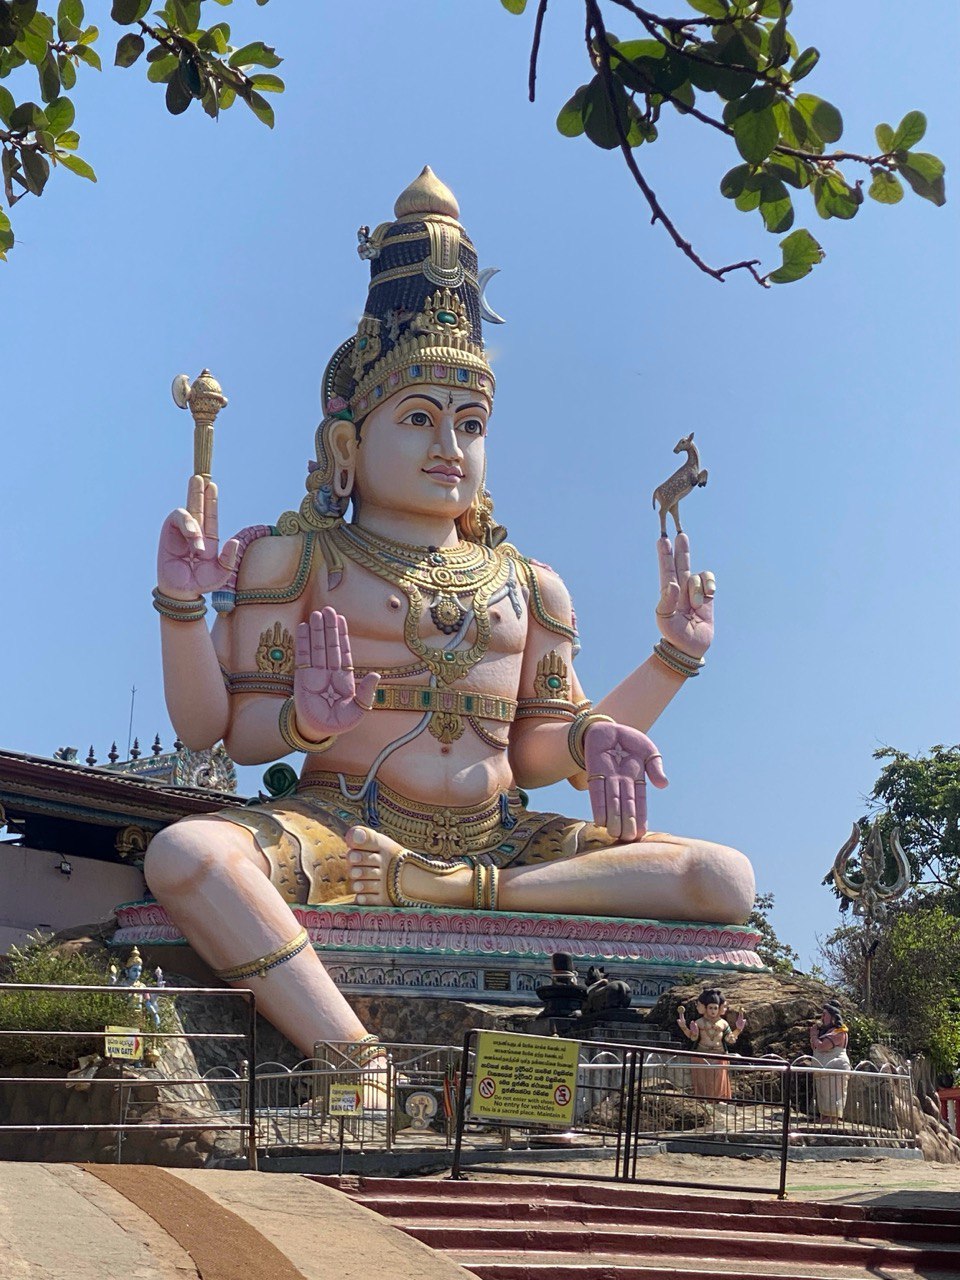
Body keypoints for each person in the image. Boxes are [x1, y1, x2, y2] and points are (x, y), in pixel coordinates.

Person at [144, 168, 755, 1064]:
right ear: (350, 445)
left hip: (497, 843)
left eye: (470, 424)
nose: (449, 447)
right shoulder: (302, 557)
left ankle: (456, 889)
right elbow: (218, 733)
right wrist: (191, 615)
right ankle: (352, 1056)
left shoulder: (528, 583)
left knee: (723, 878)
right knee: (187, 858)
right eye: (421, 418)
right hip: (337, 826)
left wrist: (662, 669)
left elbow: (539, 752)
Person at [677, 988, 746, 1099]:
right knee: (702, 1080)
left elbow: (729, 1039)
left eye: (715, 1008)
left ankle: (719, 1099)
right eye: (710, 1008)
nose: (713, 1011)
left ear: (719, 1009)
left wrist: (738, 1030)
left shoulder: (723, 1023)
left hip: (719, 1055)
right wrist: (684, 1027)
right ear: (705, 1008)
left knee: (718, 1080)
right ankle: (703, 1099)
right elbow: (693, 1038)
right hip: (701, 1055)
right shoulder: (699, 1022)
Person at [809, 1000, 851, 1122]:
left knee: (834, 1093)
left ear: (833, 1017)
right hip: (823, 1069)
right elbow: (815, 1047)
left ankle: (832, 1118)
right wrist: (814, 1036)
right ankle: (824, 1116)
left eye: (825, 1015)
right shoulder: (825, 1031)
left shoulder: (840, 1032)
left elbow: (823, 1046)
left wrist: (813, 1036)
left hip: (835, 1068)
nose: (822, 1017)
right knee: (824, 1093)